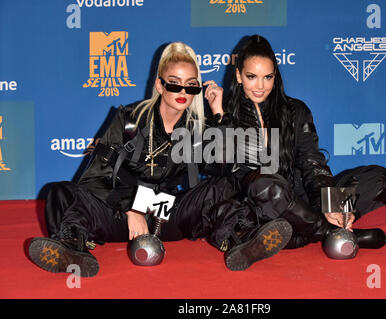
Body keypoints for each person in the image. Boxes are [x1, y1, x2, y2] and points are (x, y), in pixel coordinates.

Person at [28, 41, 292, 276]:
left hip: (167, 216)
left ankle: (241, 239)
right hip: (121, 216)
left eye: (191, 85)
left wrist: (219, 114)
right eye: (174, 82)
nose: (182, 91)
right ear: (160, 84)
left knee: (230, 182)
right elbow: (94, 177)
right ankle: (72, 247)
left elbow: (225, 166)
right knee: (59, 192)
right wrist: (132, 208)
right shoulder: (129, 119)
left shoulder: (196, 129)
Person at [222, 34, 386, 252]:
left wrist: (333, 205)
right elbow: (228, 174)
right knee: (263, 186)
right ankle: (329, 232)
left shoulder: (295, 111)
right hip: (257, 206)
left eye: (268, 77)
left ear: (276, 77)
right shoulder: (225, 116)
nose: (260, 86)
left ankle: (331, 224)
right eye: (251, 76)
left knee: (378, 178)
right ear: (238, 76)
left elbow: (312, 162)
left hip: (300, 200)